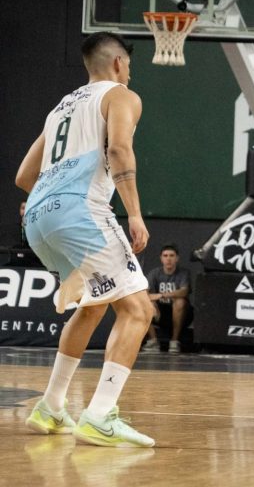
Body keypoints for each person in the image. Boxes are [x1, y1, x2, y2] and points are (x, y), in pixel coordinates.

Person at [15, 32, 155, 447]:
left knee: (93, 307)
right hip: (80, 211)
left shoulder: (60, 108)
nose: (129, 73)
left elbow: (24, 177)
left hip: (38, 217)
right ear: (118, 63)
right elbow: (119, 150)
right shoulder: (120, 95)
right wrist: (134, 213)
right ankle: (100, 415)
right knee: (138, 310)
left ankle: (51, 406)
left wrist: (57, 202)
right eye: (129, 66)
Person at [142, 243, 192, 354]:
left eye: (171, 256)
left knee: (180, 301)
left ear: (177, 258)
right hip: (160, 313)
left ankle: (174, 341)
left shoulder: (183, 273)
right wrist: (152, 303)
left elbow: (184, 291)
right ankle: (153, 341)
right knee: (144, 303)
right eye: (165, 256)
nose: (168, 259)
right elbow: (145, 294)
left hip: (181, 314)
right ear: (161, 258)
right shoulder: (154, 273)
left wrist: (162, 295)